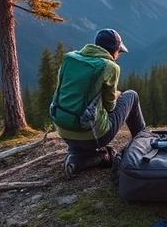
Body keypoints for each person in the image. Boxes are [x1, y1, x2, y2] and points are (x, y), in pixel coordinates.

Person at [54, 28, 146, 179]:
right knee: (131, 96)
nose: (118, 56)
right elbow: (110, 107)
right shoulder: (110, 67)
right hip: (95, 136)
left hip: (64, 130)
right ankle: (144, 142)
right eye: (118, 52)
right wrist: (117, 95)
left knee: (83, 140)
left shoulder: (70, 58)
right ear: (114, 51)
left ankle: (79, 159)